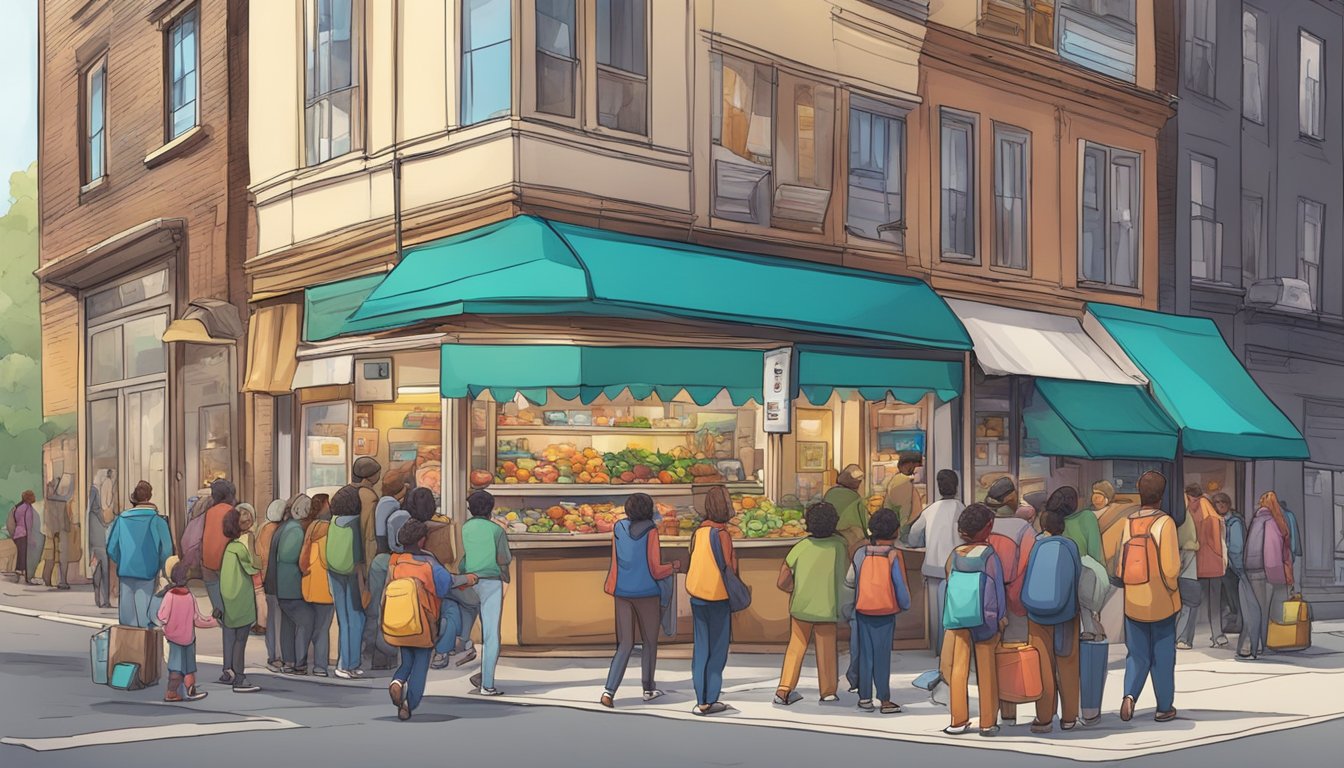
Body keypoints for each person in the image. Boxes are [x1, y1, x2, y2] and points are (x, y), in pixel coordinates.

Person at [387, 519, 478, 721]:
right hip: (424, 622)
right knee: (420, 664)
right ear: (422, 541)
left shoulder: (395, 561)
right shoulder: (429, 564)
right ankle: (409, 704)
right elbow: (447, 584)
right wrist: (469, 578)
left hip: (400, 620)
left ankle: (397, 682)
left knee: (406, 661)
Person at [600, 492, 680, 708]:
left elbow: (617, 560)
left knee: (625, 643)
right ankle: (648, 688)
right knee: (649, 642)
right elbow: (655, 569)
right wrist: (672, 567)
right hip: (646, 592)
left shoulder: (618, 527)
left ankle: (609, 691)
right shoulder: (651, 531)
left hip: (622, 591)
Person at [1117, 471, 1180, 723]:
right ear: (1161, 496)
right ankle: (1164, 707)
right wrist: (1173, 589)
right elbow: (1171, 569)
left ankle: (1129, 696)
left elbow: (1120, 567)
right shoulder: (1165, 523)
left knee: (1136, 653)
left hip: (1133, 599)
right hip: (1161, 600)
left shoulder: (1128, 521)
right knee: (1163, 655)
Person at [940, 503, 1007, 737]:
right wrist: (1001, 617)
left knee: (959, 668)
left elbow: (948, 583)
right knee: (986, 670)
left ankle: (958, 720)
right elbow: (998, 588)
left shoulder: (955, 555)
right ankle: (987, 721)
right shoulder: (989, 555)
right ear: (987, 528)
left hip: (959, 617)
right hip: (985, 618)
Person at [774, 501, 847, 706]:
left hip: (801, 606)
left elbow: (783, 579)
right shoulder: (840, 547)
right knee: (827, 649)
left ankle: (784, 689)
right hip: (828, 605)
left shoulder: (801, 546)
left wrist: (793, 589)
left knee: (796, 646)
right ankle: (828, 691)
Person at [1022, 491, 1083, 734]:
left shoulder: (1035, 544)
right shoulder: (1070, 546)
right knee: (1068, 663)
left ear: (1042, 524)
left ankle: (1044, 718)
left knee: (1042, 665)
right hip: (1067, 614)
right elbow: (1077, 578)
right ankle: (1069, 717)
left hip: (1036, 615)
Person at [845, 508, 911, 714]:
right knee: (882, 656)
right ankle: (884, 699)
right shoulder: (894, 555)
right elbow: (900, 586)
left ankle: (864, 697)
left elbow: (850, 580)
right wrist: (905, 604)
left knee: (865, 654)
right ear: (896, 531)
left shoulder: (860, 553)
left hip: (863, 609)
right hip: (885, 612)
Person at [985, 476, 1034, 726]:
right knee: (1012, 656)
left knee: (990, 659)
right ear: (1011, 499)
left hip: (988, 603)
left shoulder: (986, 526)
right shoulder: (1024, 529)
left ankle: (997, 713)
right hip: (1014, 602)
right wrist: (1018, 603)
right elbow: (1027, 567)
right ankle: (1010, 711)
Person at [685, 486, 737, 715]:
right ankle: (711, 698)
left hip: (697, 595)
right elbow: (729, 566)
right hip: (718, 597)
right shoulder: (723, 534)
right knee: (717, 651)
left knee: (701, 648)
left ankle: (700, 699)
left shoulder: (699, 532)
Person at [907, 470, 964, 658]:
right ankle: (954, 649)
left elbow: (914, 535)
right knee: (956, 611)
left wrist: (924, 542)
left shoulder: (930, 509)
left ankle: (938, 650)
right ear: (957, 487)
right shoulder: (961, 508)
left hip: (932, 568)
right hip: (956, 569)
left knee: (935, 614)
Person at [462, 489, 510, 695]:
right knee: (491, 635)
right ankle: (487, 684)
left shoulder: (466, 528)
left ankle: (467, 653)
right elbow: (504, 559)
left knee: (470, 625)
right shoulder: (496, 530)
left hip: (469, 580)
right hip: (491, 582)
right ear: (491, 509)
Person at [106, 482, 173, 628]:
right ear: (149, 496)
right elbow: (167, 551)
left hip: (125, 571)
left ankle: (128, 648)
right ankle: (144, 648)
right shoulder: (157, 521)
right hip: (148, 572)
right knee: (145, 617)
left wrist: (122, 560)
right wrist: (160, 566)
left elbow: (111, 548)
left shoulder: (121, 519)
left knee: (126, 619)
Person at [1241, 491, 1293, 660]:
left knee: (1253, 610)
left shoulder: (1255, 520)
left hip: (1250, 569)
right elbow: (1271, 551)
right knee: (1264, 611)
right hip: (1265, 571)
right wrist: (1278, 575)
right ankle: (1261, 646)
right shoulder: (1271, 521)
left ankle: (1252, 646)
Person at [157, 560, 216, 702]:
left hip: (174, 639)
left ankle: (171, 692)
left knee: (175, 668)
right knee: (190, 667)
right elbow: (197, 619)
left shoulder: (169, 596)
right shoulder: (190, 597)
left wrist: (165, 628)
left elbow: (162, 616)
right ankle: (191, 690)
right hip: (189, 638)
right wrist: (214, 620)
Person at [219, 507, 262, 693]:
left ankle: (228, 671)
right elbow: (255, 566)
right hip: (241, 600)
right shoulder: (240, 549)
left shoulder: (229, 548)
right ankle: (240, 677)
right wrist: (252, 544)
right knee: (240, 640)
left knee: (230, 637)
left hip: (228, 599)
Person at [328, 486, 367, 680]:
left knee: (343, 620)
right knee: (356, 619)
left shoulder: (333, 521)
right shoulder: (355, 523)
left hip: (334, 572)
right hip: (352, 573)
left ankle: (344, 663)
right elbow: (359, 554)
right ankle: (349, 664)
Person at [370, 485, 410, 671]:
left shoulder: (382, 507)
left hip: (381, 560)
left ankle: (378, 657)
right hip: (395, 563)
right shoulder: (399, 515)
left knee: (377, 609)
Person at [267, 495, 308, 675]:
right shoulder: (295, 530)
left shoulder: (283, 528)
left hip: (280, 584)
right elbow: (289, 556)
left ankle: (289, 660)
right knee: (305, 621)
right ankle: (299, 662)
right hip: (291, 584)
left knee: (287, 624)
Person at [199, 479, 239, 663]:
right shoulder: (232, 513)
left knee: (222, 614)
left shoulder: (208, 513)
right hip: (227, 567)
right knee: (232, 617)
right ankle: (230, 663)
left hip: (208, 567)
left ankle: (228, 662)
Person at [1063, 482, 1106, 639]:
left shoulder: (1058, 519)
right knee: (1088, 602)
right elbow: (1094, 547)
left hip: (1064, 566)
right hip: (1085, 564)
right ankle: (1092, 631)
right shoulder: (1087, 516)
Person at [300, 494, 335, 677]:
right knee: (322, 628)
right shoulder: (329, 529)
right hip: (325, 586)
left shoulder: (310, 527)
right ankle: (320, 666)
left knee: (309, 626)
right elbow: (330, 560)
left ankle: (302, 662)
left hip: (309, 582)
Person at [1189, 486, 1228, 648]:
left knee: (1192, 603)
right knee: (1215, 604)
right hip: (1214, 565)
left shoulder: (1192, 513)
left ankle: (1185, 638)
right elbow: (1218, 543)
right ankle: (1218, 635)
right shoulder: (1213, 515)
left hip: (1197, 565)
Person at [1173, 485, 1206, 651]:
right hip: (1186, 556)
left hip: (1179, 556)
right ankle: (1183, 638)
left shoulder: (1177, 509)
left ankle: (1178, 637)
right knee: (1190, 600)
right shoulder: (1183, 512)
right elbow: (1185, 539)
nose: (1196, 504)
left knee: (1179, 601)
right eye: (1195, 500)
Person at [256, 499, 286, 672]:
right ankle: (277, 657)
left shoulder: (263, 529)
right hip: (275, 581)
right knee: (278, 620)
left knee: (274, 620)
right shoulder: (276, 530)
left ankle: (274, 656)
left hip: (269, 581)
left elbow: (259, 557)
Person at [825, 464, 869, 555]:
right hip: (849, 541)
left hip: (829, 536)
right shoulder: (855, 498)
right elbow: (861, 522)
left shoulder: (830, 493)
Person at [41, 475, 74, 590]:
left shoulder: (51, 495)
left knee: (54, 554)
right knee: (58, 554)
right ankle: (56, 580)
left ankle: (51, 579)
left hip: (53, 525)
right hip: (58, 525)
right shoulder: (61, 496)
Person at [885, 453, 925, 542]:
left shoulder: (895, 480)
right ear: (909, 464)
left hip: (892, 531)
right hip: (902, 534)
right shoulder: (903, 482)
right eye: (918, 466)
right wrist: (905, 535)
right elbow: (905, 512)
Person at [86, 474, 112, 608]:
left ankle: (99, 597)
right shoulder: (96, 492)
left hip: (95, 542)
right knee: (104, 570)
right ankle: (104, 599)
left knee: (97, 568)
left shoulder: (90, 514)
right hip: (101, 541)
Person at [8, 490, 37, 585]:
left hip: (17, 534)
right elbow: (28, 524)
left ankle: (18, 575)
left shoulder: (18, 507)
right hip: (24, 534)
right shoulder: (28, 508)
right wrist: (31, 538)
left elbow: (13, 522)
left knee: (20, 554)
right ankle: (23, 577)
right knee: (24, 556)